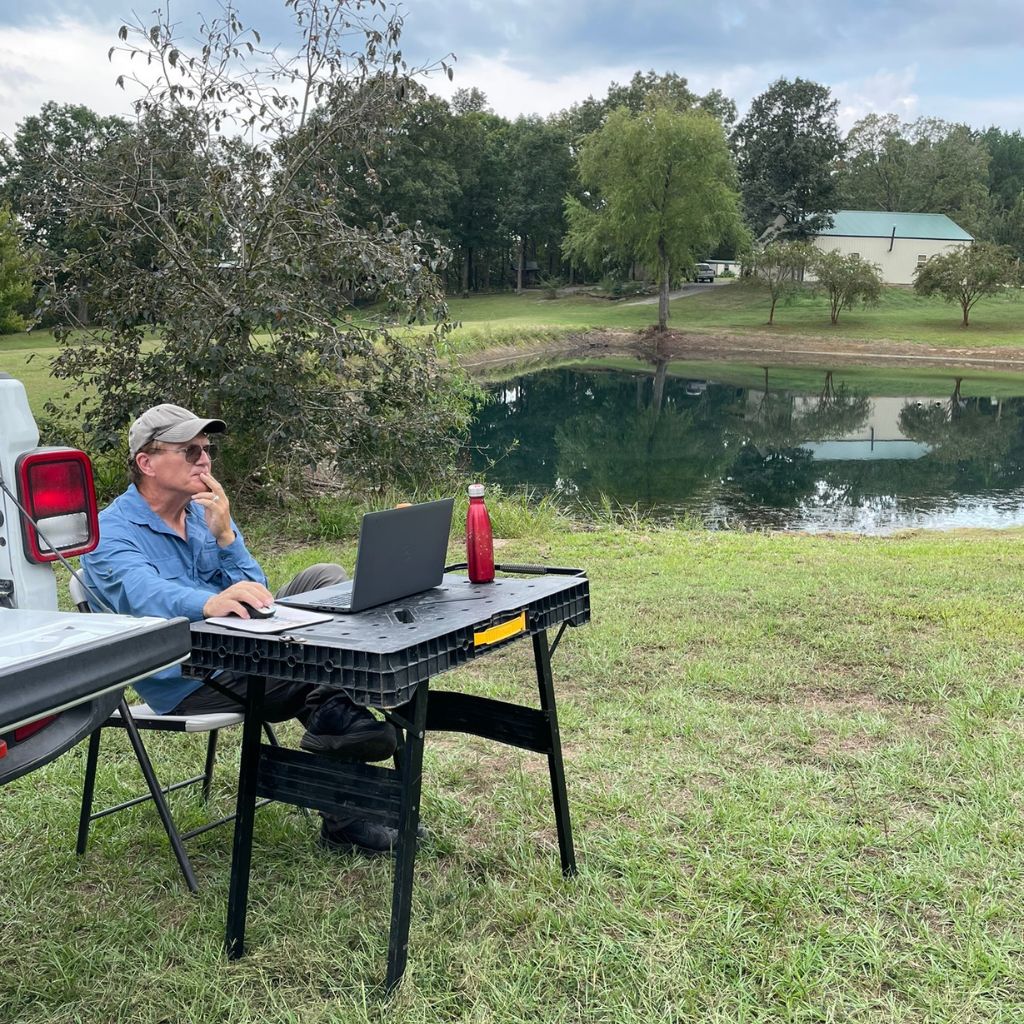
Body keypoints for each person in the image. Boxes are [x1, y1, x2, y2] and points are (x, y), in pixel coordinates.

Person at [80, 403, 398, 856]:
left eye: (207, 450)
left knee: (325, 578)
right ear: (146, 462)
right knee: (317, 661)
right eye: (190, 451)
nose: (204, 461)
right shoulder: (109, 532)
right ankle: (343, 785)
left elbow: (258, 589)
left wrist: (227, 537)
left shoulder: (203, 513)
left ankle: (335, 717)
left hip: (242, 644)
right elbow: (140, 593)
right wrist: (208, 602)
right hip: (187, 672)